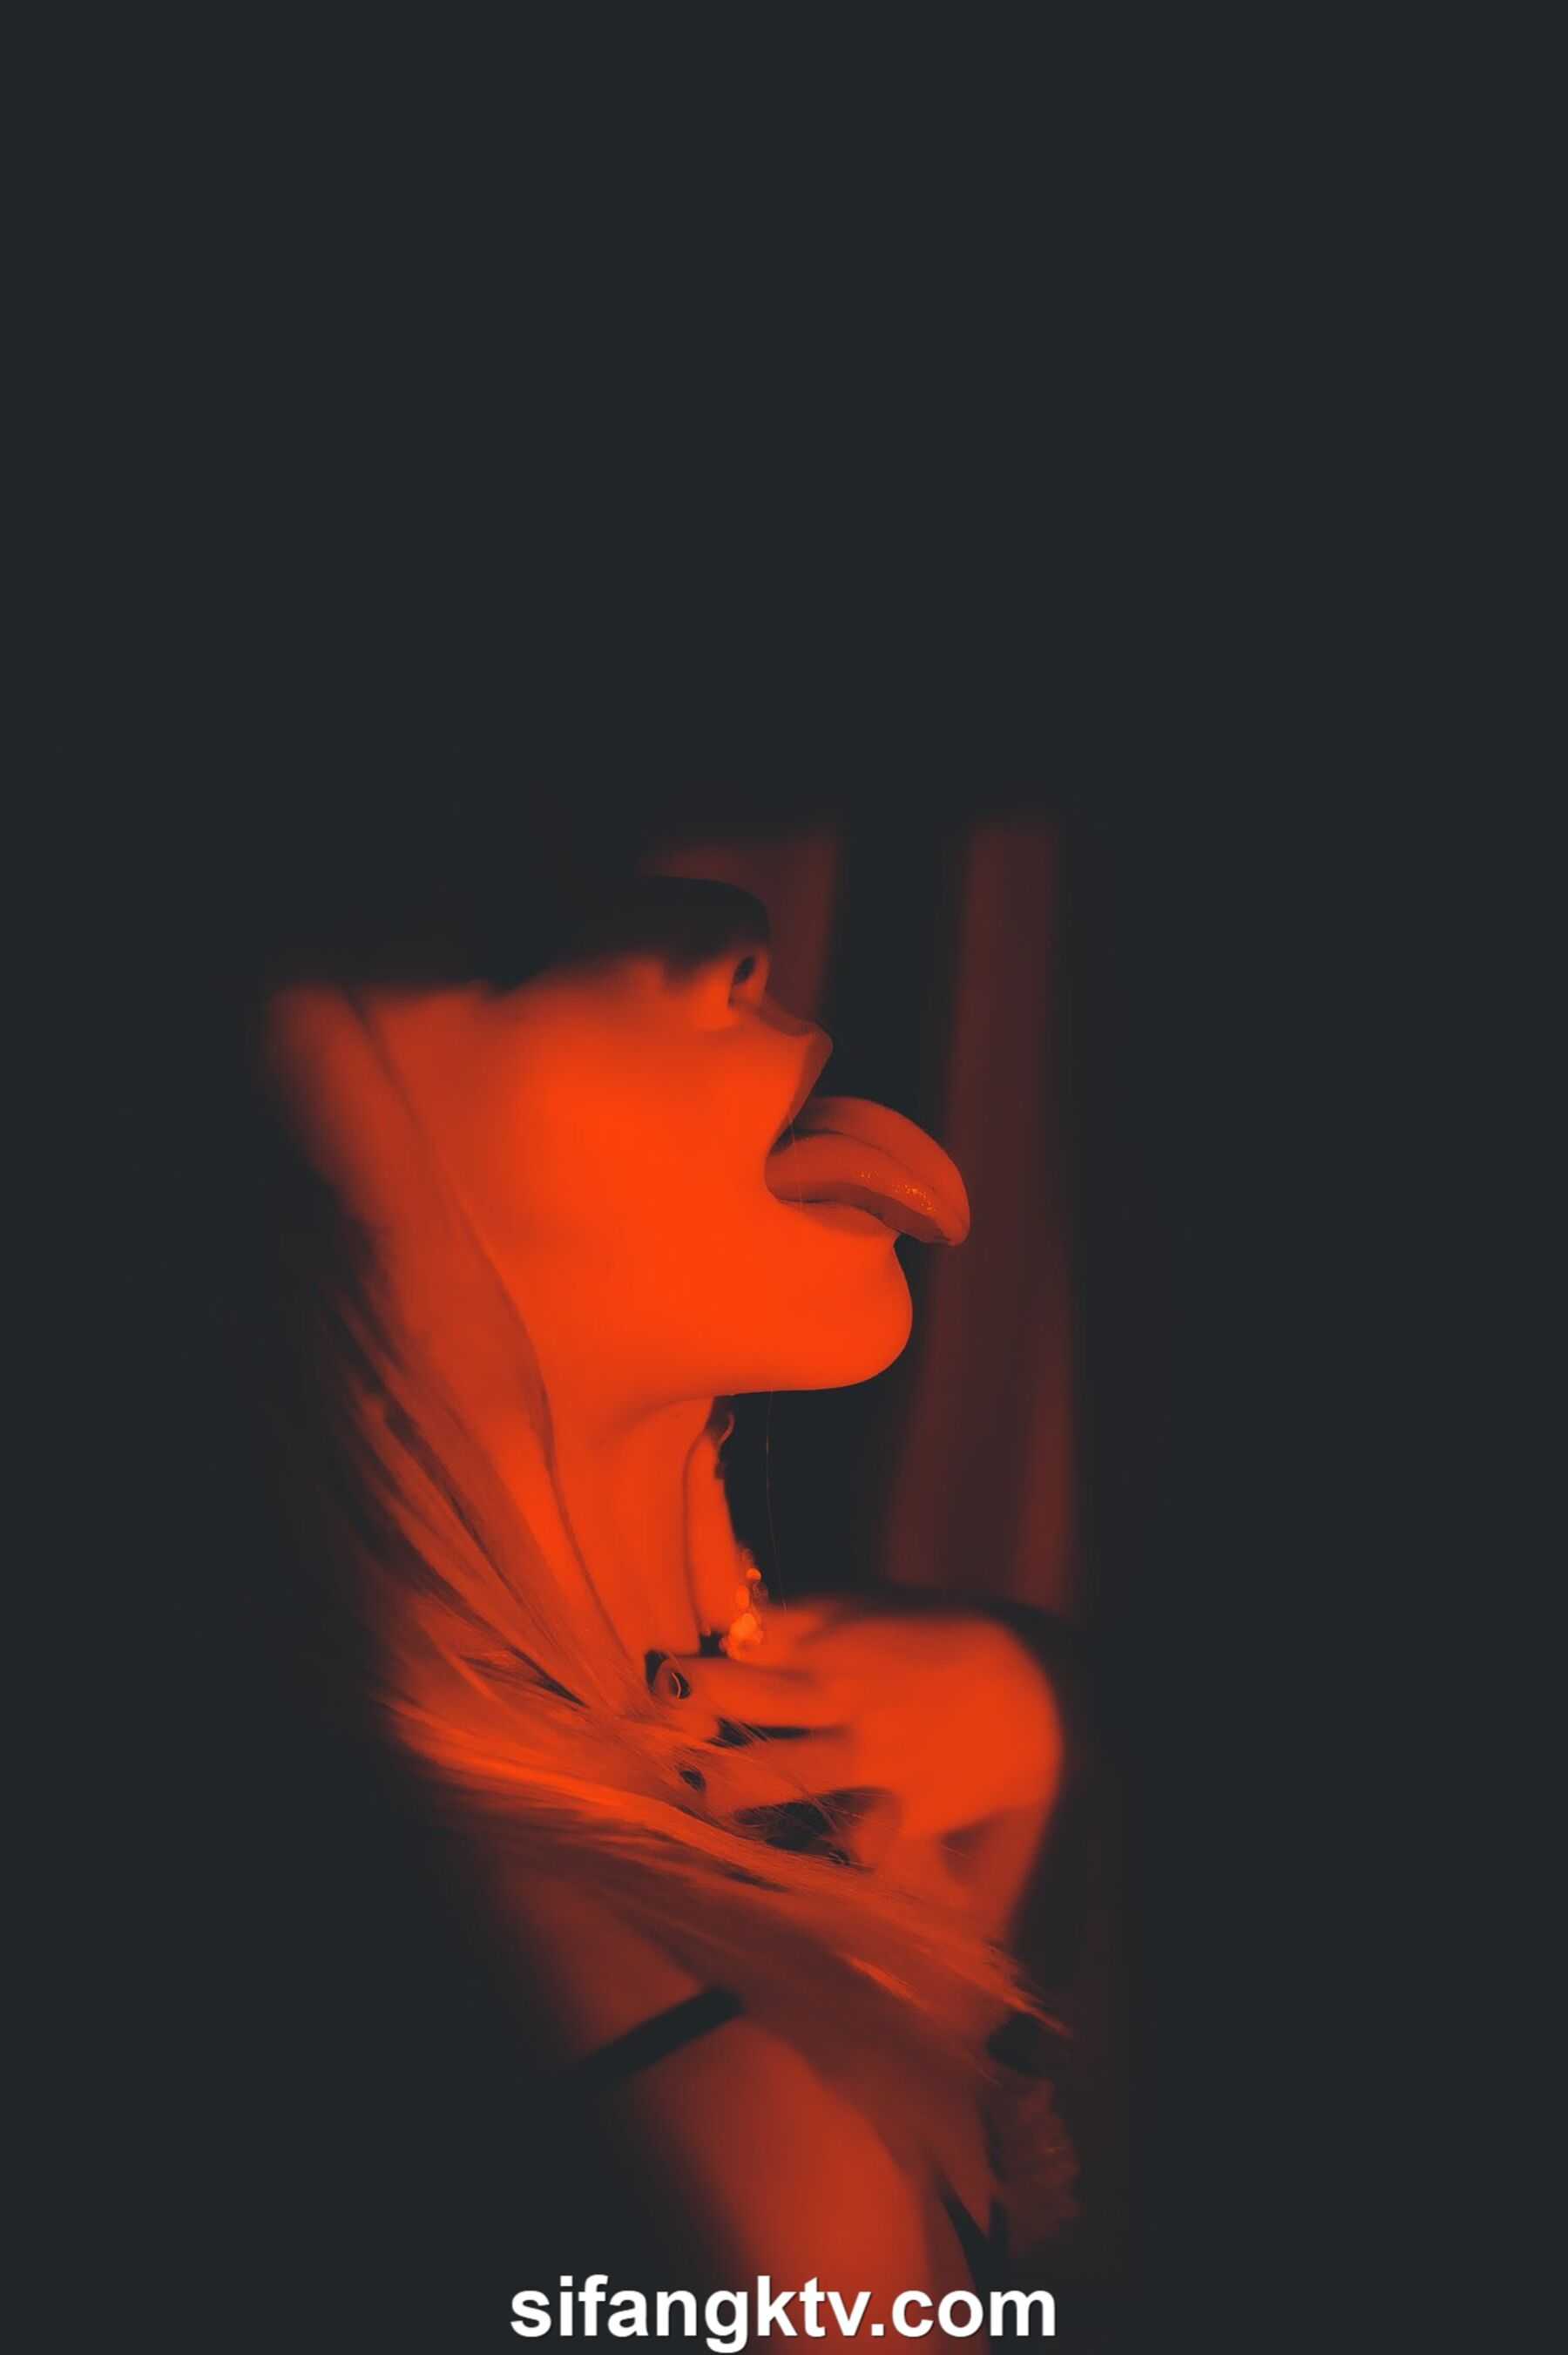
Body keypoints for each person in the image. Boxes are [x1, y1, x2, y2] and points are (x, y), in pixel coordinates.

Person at [222, 864, 1081, 2342]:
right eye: (497, 941)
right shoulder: (718, 2144)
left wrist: (1030, 1738)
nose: (725, 927)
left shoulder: (766, 1821)